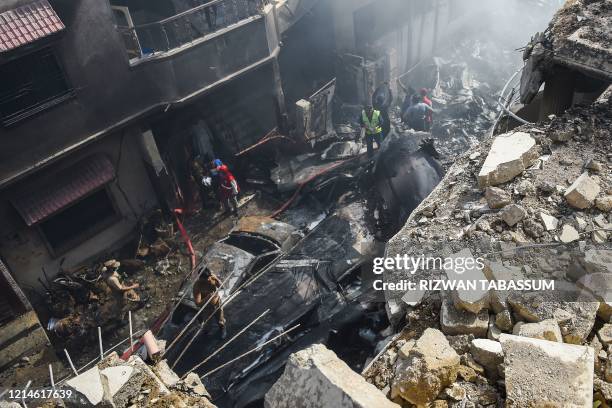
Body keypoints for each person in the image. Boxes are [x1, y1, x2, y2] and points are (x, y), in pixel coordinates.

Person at [193, 268, 227, 338]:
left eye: (209, 277)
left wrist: (217, 280)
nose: (208, 279)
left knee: (220, 320)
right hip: (207, 307)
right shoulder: (197, 286)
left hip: (217, 303)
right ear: (201, 278)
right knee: (207, 324)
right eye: (206, 278)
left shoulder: (212, 277)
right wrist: (208, 297)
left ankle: (222, 329)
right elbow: (198, 303)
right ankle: (205, 334)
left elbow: (222, 287)